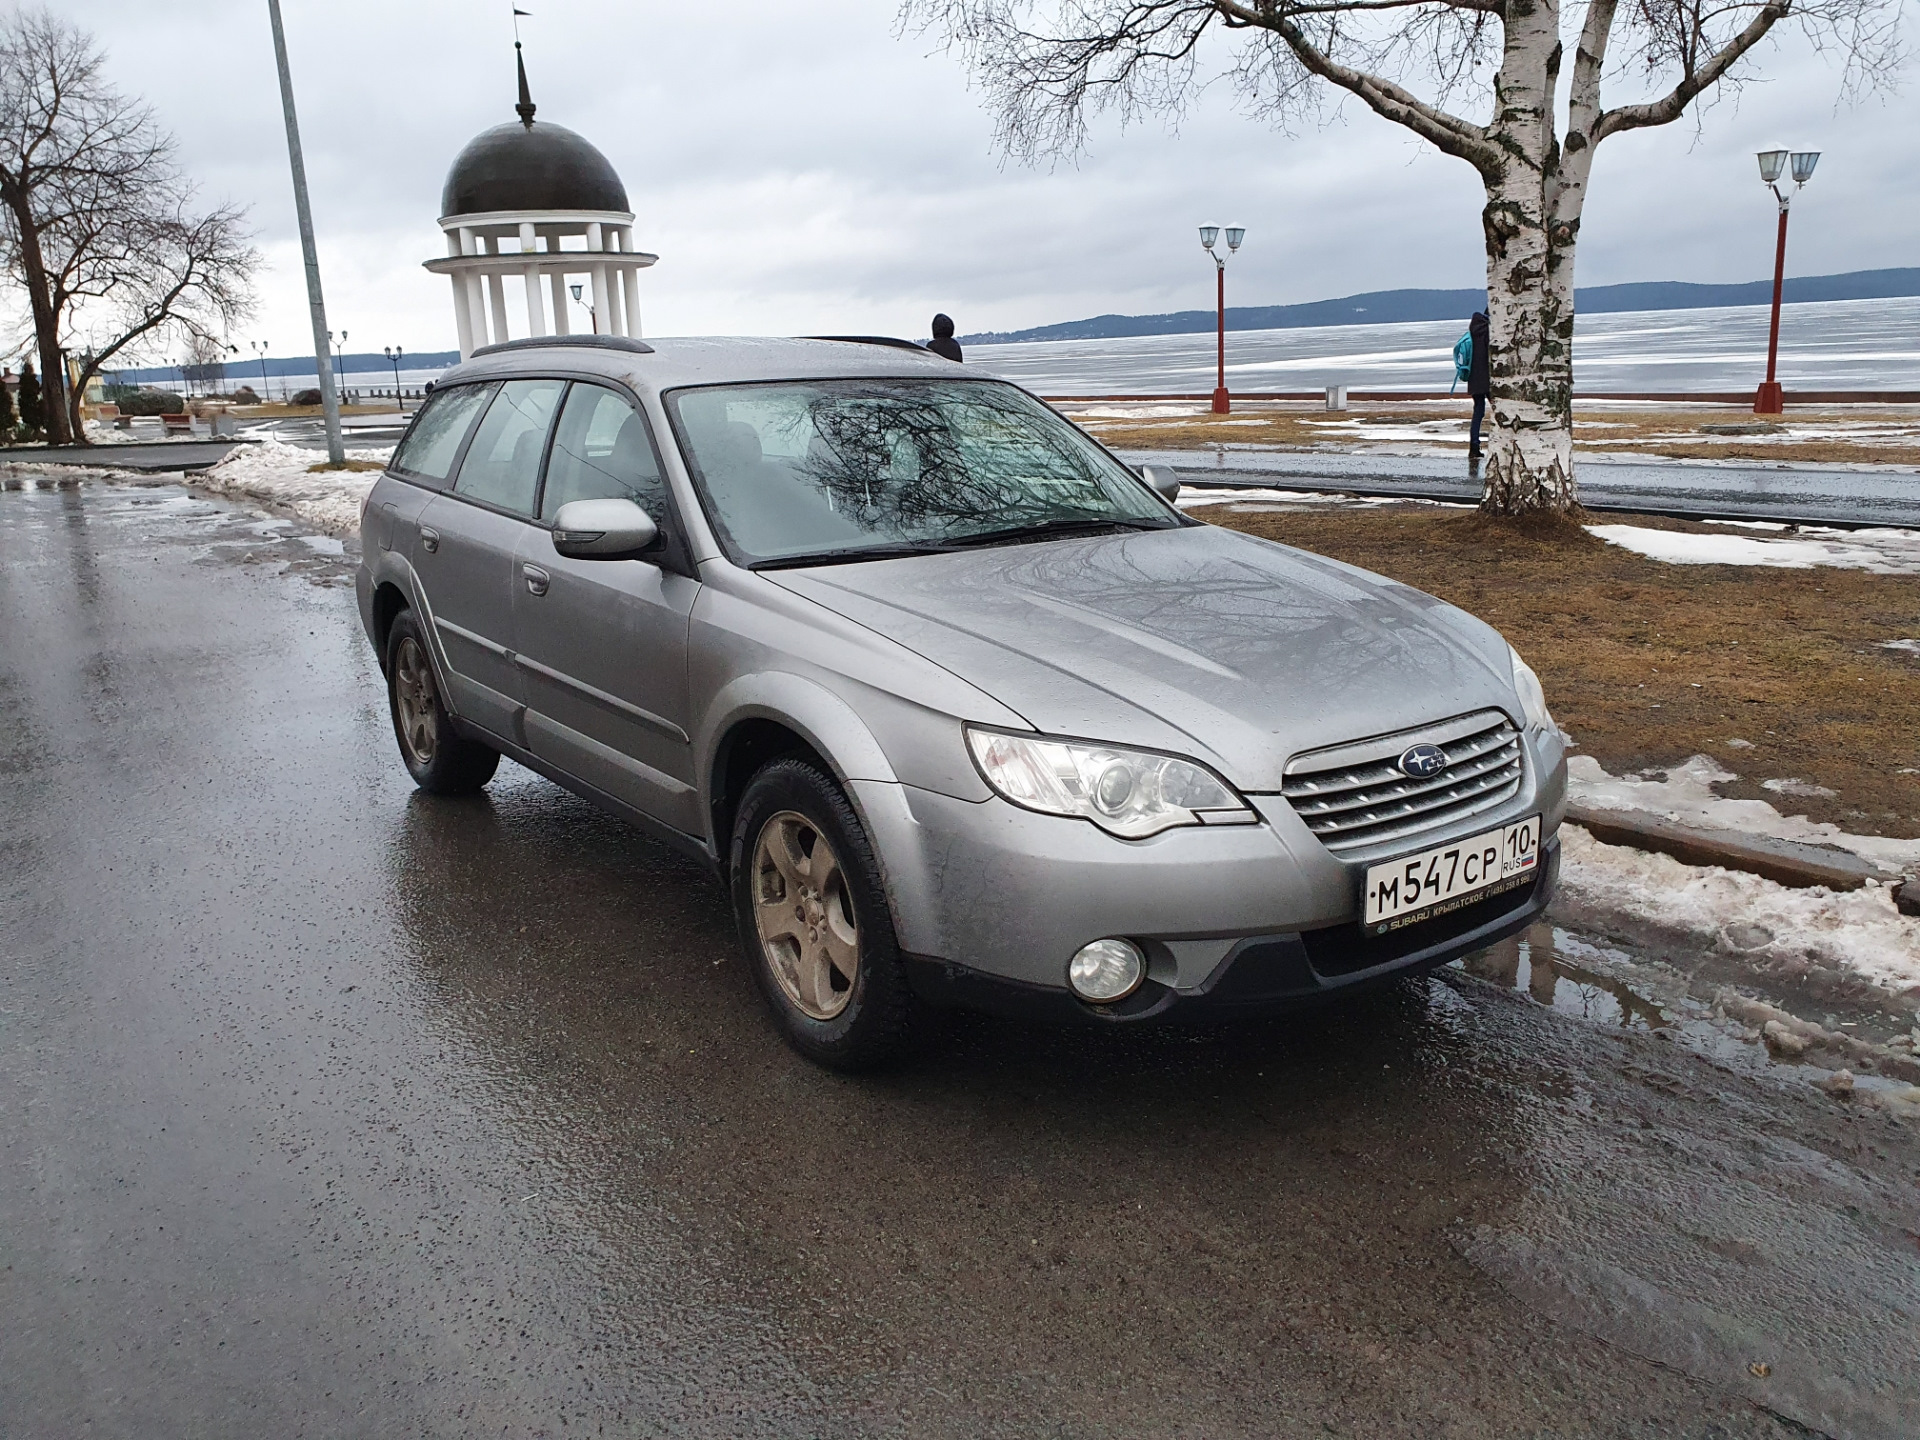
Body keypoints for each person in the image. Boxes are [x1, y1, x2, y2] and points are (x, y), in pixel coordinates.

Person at [1467, 309, 1490, 461]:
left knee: (1478, 413)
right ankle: (1502, 442)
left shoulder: (1472, 330)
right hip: (1488, 378)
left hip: (1474, 379)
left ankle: (1474, 447)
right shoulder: (1489, 330)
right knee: (1501, 410)